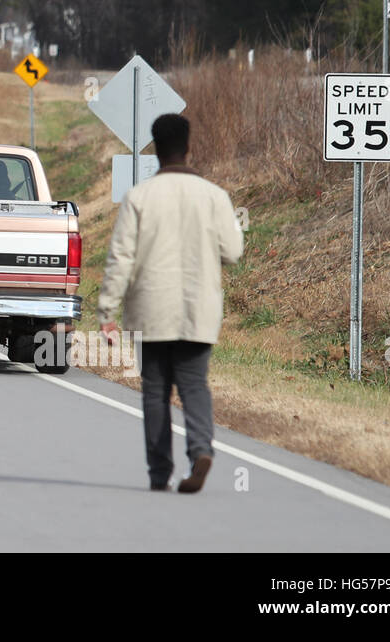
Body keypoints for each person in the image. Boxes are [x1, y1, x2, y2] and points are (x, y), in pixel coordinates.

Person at [98, 113, 244, 494]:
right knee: (195, 385)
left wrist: (107, 313)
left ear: (155, 150)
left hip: (151, 312)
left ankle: (159, 471)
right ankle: (200, 452)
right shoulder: (215, 197)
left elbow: (121, 259)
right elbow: (233, 251)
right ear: (188, 146)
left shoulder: (139, 197)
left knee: (155, 389)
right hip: (199, 311)